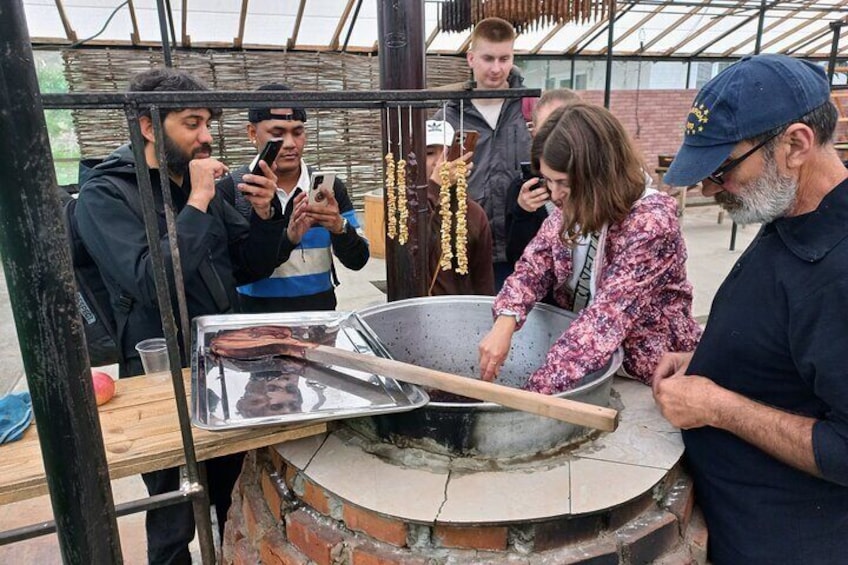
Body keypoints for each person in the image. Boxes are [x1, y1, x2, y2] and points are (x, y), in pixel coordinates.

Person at [75, 68, 306, 565]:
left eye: (207, 124)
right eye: (192, 123)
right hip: (160, 372)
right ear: (147, 126)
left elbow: (245, 263)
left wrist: (270, 222)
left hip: (223, 363)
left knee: (231, 487)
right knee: (174, 509)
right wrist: (199, 201)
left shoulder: (197, 182)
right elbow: (146, 281)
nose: (205, 137)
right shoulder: (105, 194)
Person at [652, 54, 848, 564]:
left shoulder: (840, 271)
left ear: (796, 145)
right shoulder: (790, 212)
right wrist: (707, 360)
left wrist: (719, 406)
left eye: (722, 169)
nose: (708, 188)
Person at [478, 103, 701, 393]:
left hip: (650, 373)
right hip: (580, 360)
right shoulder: (575, 205)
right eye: (548, 180)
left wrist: (523, 398)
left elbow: (605, 321)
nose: (555, 195)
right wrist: (505, 321)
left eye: (564, 183)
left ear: (599, 176)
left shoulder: (651, 224)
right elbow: (535, 264)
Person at [217, 83, 369, 313]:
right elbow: (230, 273)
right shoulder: (233, 190)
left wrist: (340, 227)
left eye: (297, 132)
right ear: (251, 133)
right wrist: (287, 239)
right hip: (253, 324)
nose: (290, 144)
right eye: (277, 134)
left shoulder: (329, 188)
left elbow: (358, 260)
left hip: (319, 320)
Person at [434, 17, 532, 289]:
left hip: (523, 249)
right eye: (488, 59)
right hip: (467, 249)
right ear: (471, 59)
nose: (496, 69)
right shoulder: (448, 117)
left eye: (504, 59)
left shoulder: (530, 109)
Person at [505, 88, 581, 271]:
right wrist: (523, 213)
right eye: (548, 129)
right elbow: (518, 260)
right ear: (534, 132)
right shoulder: (524, 188)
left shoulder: (608, 185)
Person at [424, 119, 494, 295]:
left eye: (448, 153)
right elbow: (410, 245)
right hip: (415, 313)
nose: (439, 163)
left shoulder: (474, 214)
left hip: (460, 314)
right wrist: (434, 187)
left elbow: (483, 282)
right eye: (430, 153)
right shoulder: (403, 211)